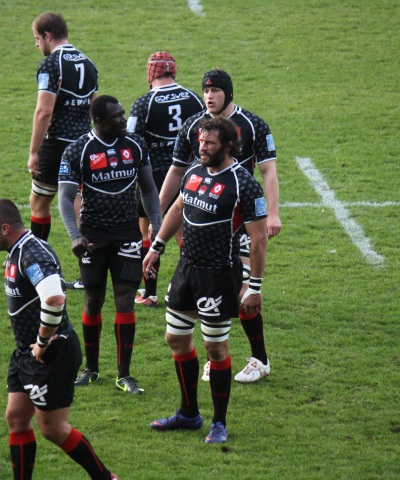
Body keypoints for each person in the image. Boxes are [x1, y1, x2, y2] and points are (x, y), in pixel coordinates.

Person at [144, 117, 268, 444]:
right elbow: (178, 207)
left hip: (219, 274)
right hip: (187, 269)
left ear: (227, 145)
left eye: (209, 143)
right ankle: (188, 413)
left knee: (215, 347)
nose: (202, 148)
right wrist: (157, 246)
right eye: (200, 142)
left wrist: (254, 286)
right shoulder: (194, 171)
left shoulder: (244, 183)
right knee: (175, 338)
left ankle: (219, 423)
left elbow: (258, 238)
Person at [158, 68, 280, 383]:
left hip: (238, 221)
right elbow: (177, 171)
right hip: (204, 219)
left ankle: (258, 358)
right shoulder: (192, 126)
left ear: (228, 93)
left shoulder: (253, 124)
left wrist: (273, 213)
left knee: (243, 290)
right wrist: (159, 212)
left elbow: (268, 170)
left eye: (215, 91)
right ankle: (216, 355)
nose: (209, 96)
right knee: (205, 287)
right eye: (206, 90)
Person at [0, 199, 118, 480]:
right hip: (26, 351)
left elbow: (55, 299)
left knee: (52, 428)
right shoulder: (17, 250)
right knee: (16, 418)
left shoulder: (33, 254)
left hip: (51, 352)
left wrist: (42, 343)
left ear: (5, 228)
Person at [58, 95, 162, 394]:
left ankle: (124, 375)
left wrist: (155, 224)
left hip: (127, 233)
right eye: (117, 116)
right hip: (93, 236)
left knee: (125, 299)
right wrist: (75, 235)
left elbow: (148, 188)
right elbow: (65, 196)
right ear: (99, 121)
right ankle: (90, 369)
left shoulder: (136, 144)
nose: (123, 119)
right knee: (93, 299)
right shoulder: (77, 150)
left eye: (123, 113)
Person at [126, 51, 204, 308]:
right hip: (188, 173)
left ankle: (149, 294)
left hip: (153, 177)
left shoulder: (144, 103)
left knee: (147, 232)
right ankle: (196, 287)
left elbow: (131, 141)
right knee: (184, 233)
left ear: (151, 73)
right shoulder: (194, 98)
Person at [27, 12, 98, 249]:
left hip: (56, 144)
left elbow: (44, 112)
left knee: (39, 202)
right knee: (79, 204)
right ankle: (89, 261)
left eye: (37, 39)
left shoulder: (50, 64)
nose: (37, 44)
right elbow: (94, 108)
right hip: (83, 145)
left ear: (48, 36)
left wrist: (34, 152)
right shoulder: (89, 64)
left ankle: (39, 256)